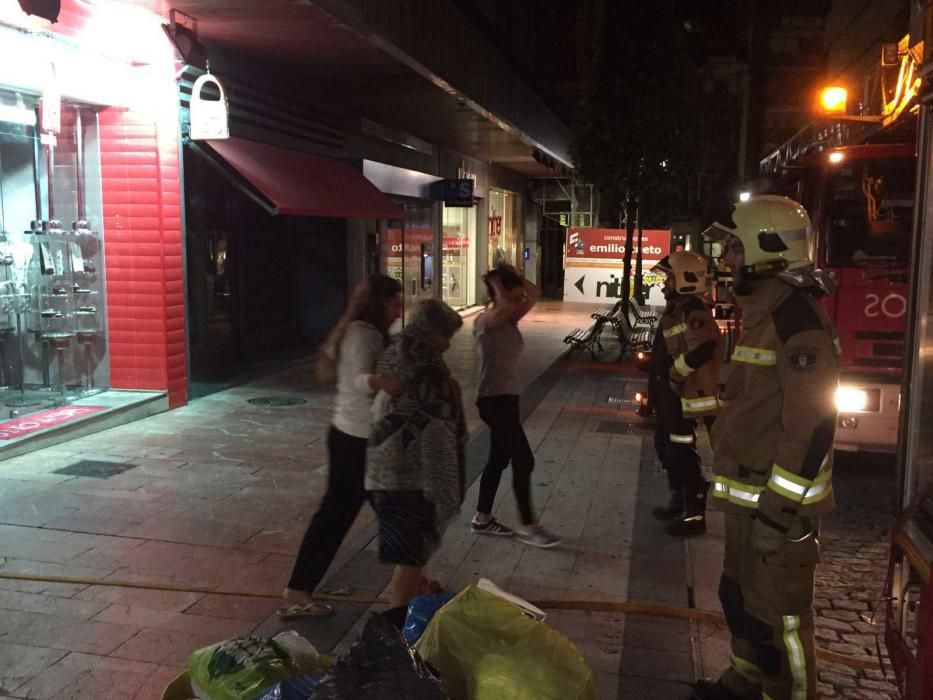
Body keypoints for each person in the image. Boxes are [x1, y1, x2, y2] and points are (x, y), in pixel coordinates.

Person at [694, 195, 841, 700]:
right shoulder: (764, 312)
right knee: (739, 600)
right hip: (749, 504)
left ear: (766, 249)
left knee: (782, 627)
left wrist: (779, 514)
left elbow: (813, 427)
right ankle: (743, 683)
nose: (727, 258)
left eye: (735, 248)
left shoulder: (796, 322)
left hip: (779, 513)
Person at [280, 274, 404, 618]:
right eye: (395, 304)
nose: (399, 310)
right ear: (379, 303)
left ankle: (300, 587)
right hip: (358, 441)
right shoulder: (363, 334)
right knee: (389, 513)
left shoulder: (363, 332)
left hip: (353, 436)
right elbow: (356, 379)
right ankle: (414, 582)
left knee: (342, 514)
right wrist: (382, 381)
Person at [366, 299, 467, 609]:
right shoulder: (426, 366)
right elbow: (428, 421)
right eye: (446, 335)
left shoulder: (397, 351)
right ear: (432, 330)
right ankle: (397, 625)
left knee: (413, 546)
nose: (448, 344)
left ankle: (418, 591)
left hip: (387, 470)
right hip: (410, 476)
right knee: (411, 553)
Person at [470, 263, 561, 548]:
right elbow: (509, 302)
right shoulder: (487, 320)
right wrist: (497, 280)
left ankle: (482, 518)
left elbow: (533, 293)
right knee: (524, 459)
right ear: (502, 295)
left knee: (499, 458)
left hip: (507, 399)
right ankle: (529, 527)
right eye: (513, 293)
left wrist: (517, 276)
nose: (521, 298)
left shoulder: (509, 320)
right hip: (493, 400)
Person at [648, 251, 722, 537]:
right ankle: (679, 499)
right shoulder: (678, 308)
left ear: (685, 279)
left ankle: (694, 514)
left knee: (681, 452)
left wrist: (674, 374)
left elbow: (703, 348)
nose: (663, 284)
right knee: (667, 448)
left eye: (668, 278)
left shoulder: (693, 310)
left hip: (683, 397)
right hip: (670, 396)